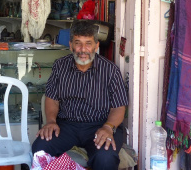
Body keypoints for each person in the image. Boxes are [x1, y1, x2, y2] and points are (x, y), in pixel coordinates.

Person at [32, 20, 128, 170]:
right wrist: (51, 121)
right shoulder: (60, 66)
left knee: (105, 157)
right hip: (67, 125)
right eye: (78, 43)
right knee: (40, 147)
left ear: (96, 46)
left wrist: (108, 127)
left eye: (88, 43)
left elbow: (118, 107)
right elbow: (52, 98)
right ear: (70, 45)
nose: (83, 49)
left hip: (100, 125)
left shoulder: (110, 70)